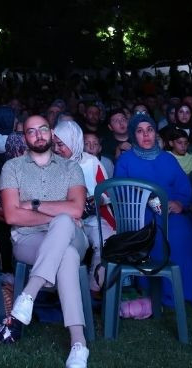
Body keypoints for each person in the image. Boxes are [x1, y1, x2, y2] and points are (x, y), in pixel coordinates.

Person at [1, 115, 89, 368]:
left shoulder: (71, 167)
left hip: (73, 234)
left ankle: (28, 295)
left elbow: (77, 209)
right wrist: (59, 212)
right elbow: (11, 215)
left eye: (43, 129)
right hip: (29, 238)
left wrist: (35, 204)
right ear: (25, 137)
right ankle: (79, 343)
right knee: (67, 254)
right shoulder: (13, 167)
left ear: (50, 133)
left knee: (63, 223)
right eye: (31, 131)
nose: (38, 135)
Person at [113, 113, 192, 309]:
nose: (146, 135)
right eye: (140, 131)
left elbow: (184, 188)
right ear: (133, 135)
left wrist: (179, 204)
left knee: (182, 233)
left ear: (155, 133)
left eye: (149, 130)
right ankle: (158, 293)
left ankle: (187, 293)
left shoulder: (168, 158)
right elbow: (119, 193)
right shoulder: (125, 160)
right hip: (139, 215)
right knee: (154, 234)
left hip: (171, 211)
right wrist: (143, 201)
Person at [52, 120, 114, 290]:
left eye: (60, 144)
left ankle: (93, 289)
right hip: (66, 220)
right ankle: (63, 290)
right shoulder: (52, 164)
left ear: (74, 141)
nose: (56, 149)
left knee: (106, 242)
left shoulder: (91, 162)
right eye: (54, 144)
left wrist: (94, 202)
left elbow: (107, 192)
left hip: (94, 218)